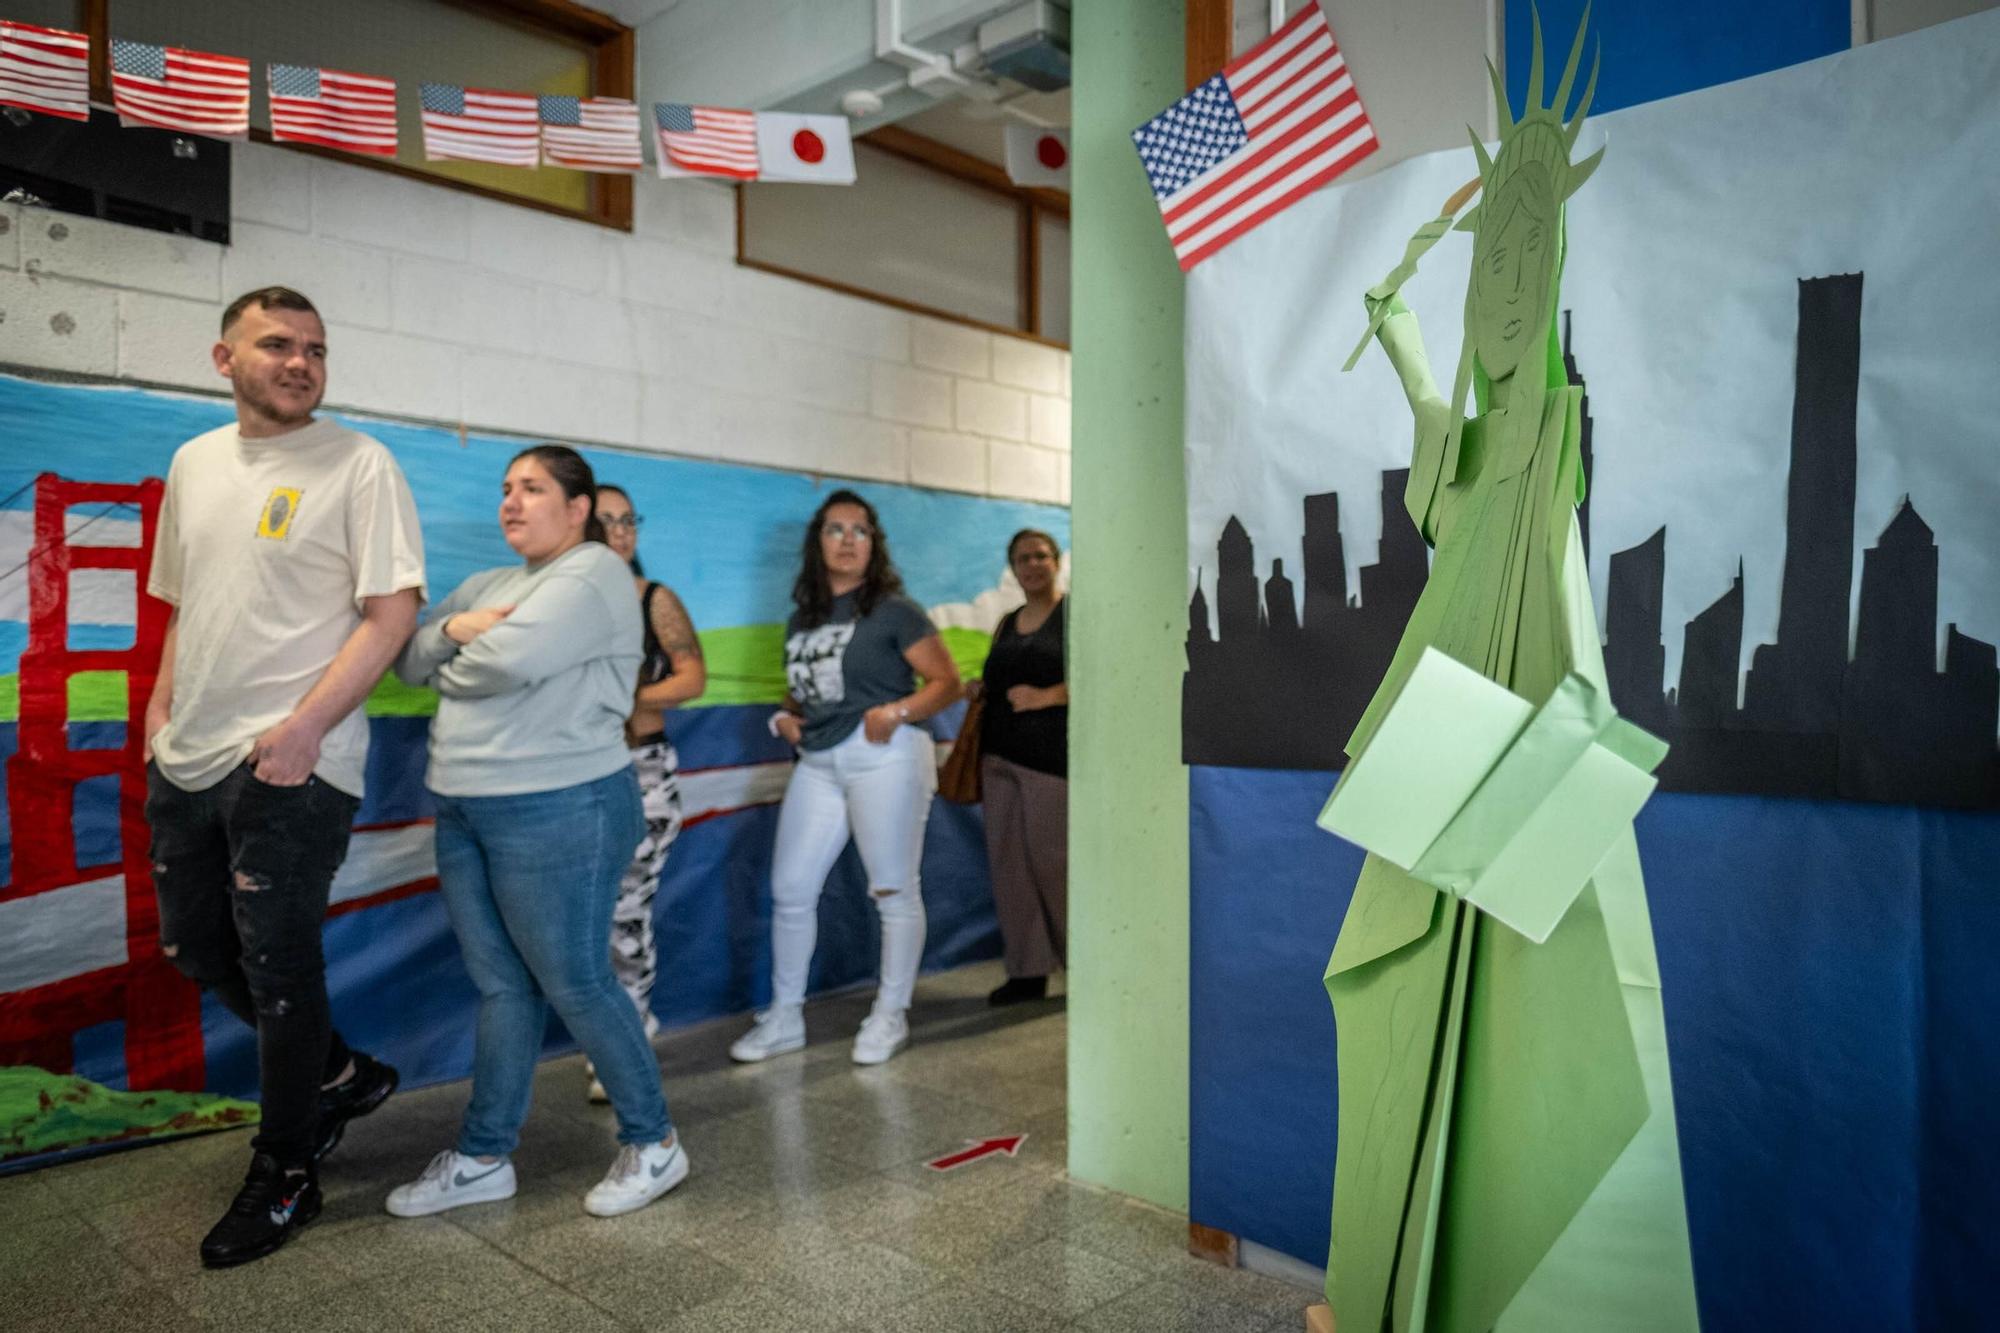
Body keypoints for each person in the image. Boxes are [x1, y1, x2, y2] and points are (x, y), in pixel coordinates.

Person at [143, 286, 424, 1268]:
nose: (300, 361)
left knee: (280, 968)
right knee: (193, 946)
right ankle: (341, 1075)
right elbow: (187, 602)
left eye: (315, 348)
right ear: (224, 359)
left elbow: (391, 616)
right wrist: (158, 710)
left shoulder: (360, 463)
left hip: (295, 762)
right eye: (276, 344)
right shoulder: (193, 462)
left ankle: (287, 1171)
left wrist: (304, 731)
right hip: (188, 753)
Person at [384, 445, 687, 1220]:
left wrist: (459, 648)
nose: (512, 502)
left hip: (562, 804)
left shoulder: (594, 573)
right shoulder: (490, 585)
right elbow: (408, 659)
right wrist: (459, 625)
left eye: (533, 488)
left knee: (578, 979)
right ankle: (485, 1155)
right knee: (503, 985)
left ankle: (654, 1142)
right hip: (463, 803)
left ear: (578, 507)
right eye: (506, 489)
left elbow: (503, 665)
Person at [730, 489, 961, 1066]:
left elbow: (946, 682)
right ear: (818, 543)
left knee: (892, 887)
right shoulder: (801, 620)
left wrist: (897, 712)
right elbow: (805, 688)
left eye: (861, 531)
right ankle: (784, 1017)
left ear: (874, 543)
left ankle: (890, 1013)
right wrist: (784, 715)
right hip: (819, 759)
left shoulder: (894, 610)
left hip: (884, 753)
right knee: (791, 890)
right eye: (836, 530)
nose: (849, 541)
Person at [586, 483, 706, 1102]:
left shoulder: (653, 599)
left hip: (644, 771)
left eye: (629, 520)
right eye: (607, 521)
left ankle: (625, 1037)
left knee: (625, 910)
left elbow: (693, 676)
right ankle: (616, 1026)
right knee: (586, 913)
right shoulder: (567, 601)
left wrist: (632, 699)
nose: (620, 531)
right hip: (578, 776)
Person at [974, 530, 1069, 1006]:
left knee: (1056, 865)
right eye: (1021, 559)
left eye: (1040, 556)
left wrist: (1046, 696)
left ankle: (1086, 965)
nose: (1031, 565)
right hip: (998, 758)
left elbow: (1102, 677)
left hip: (1051, 763)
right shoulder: (1008, 622)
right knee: (1009, 866)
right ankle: (1028, 972)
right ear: (1012, 568)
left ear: (1056, 562)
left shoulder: (1074, 616)